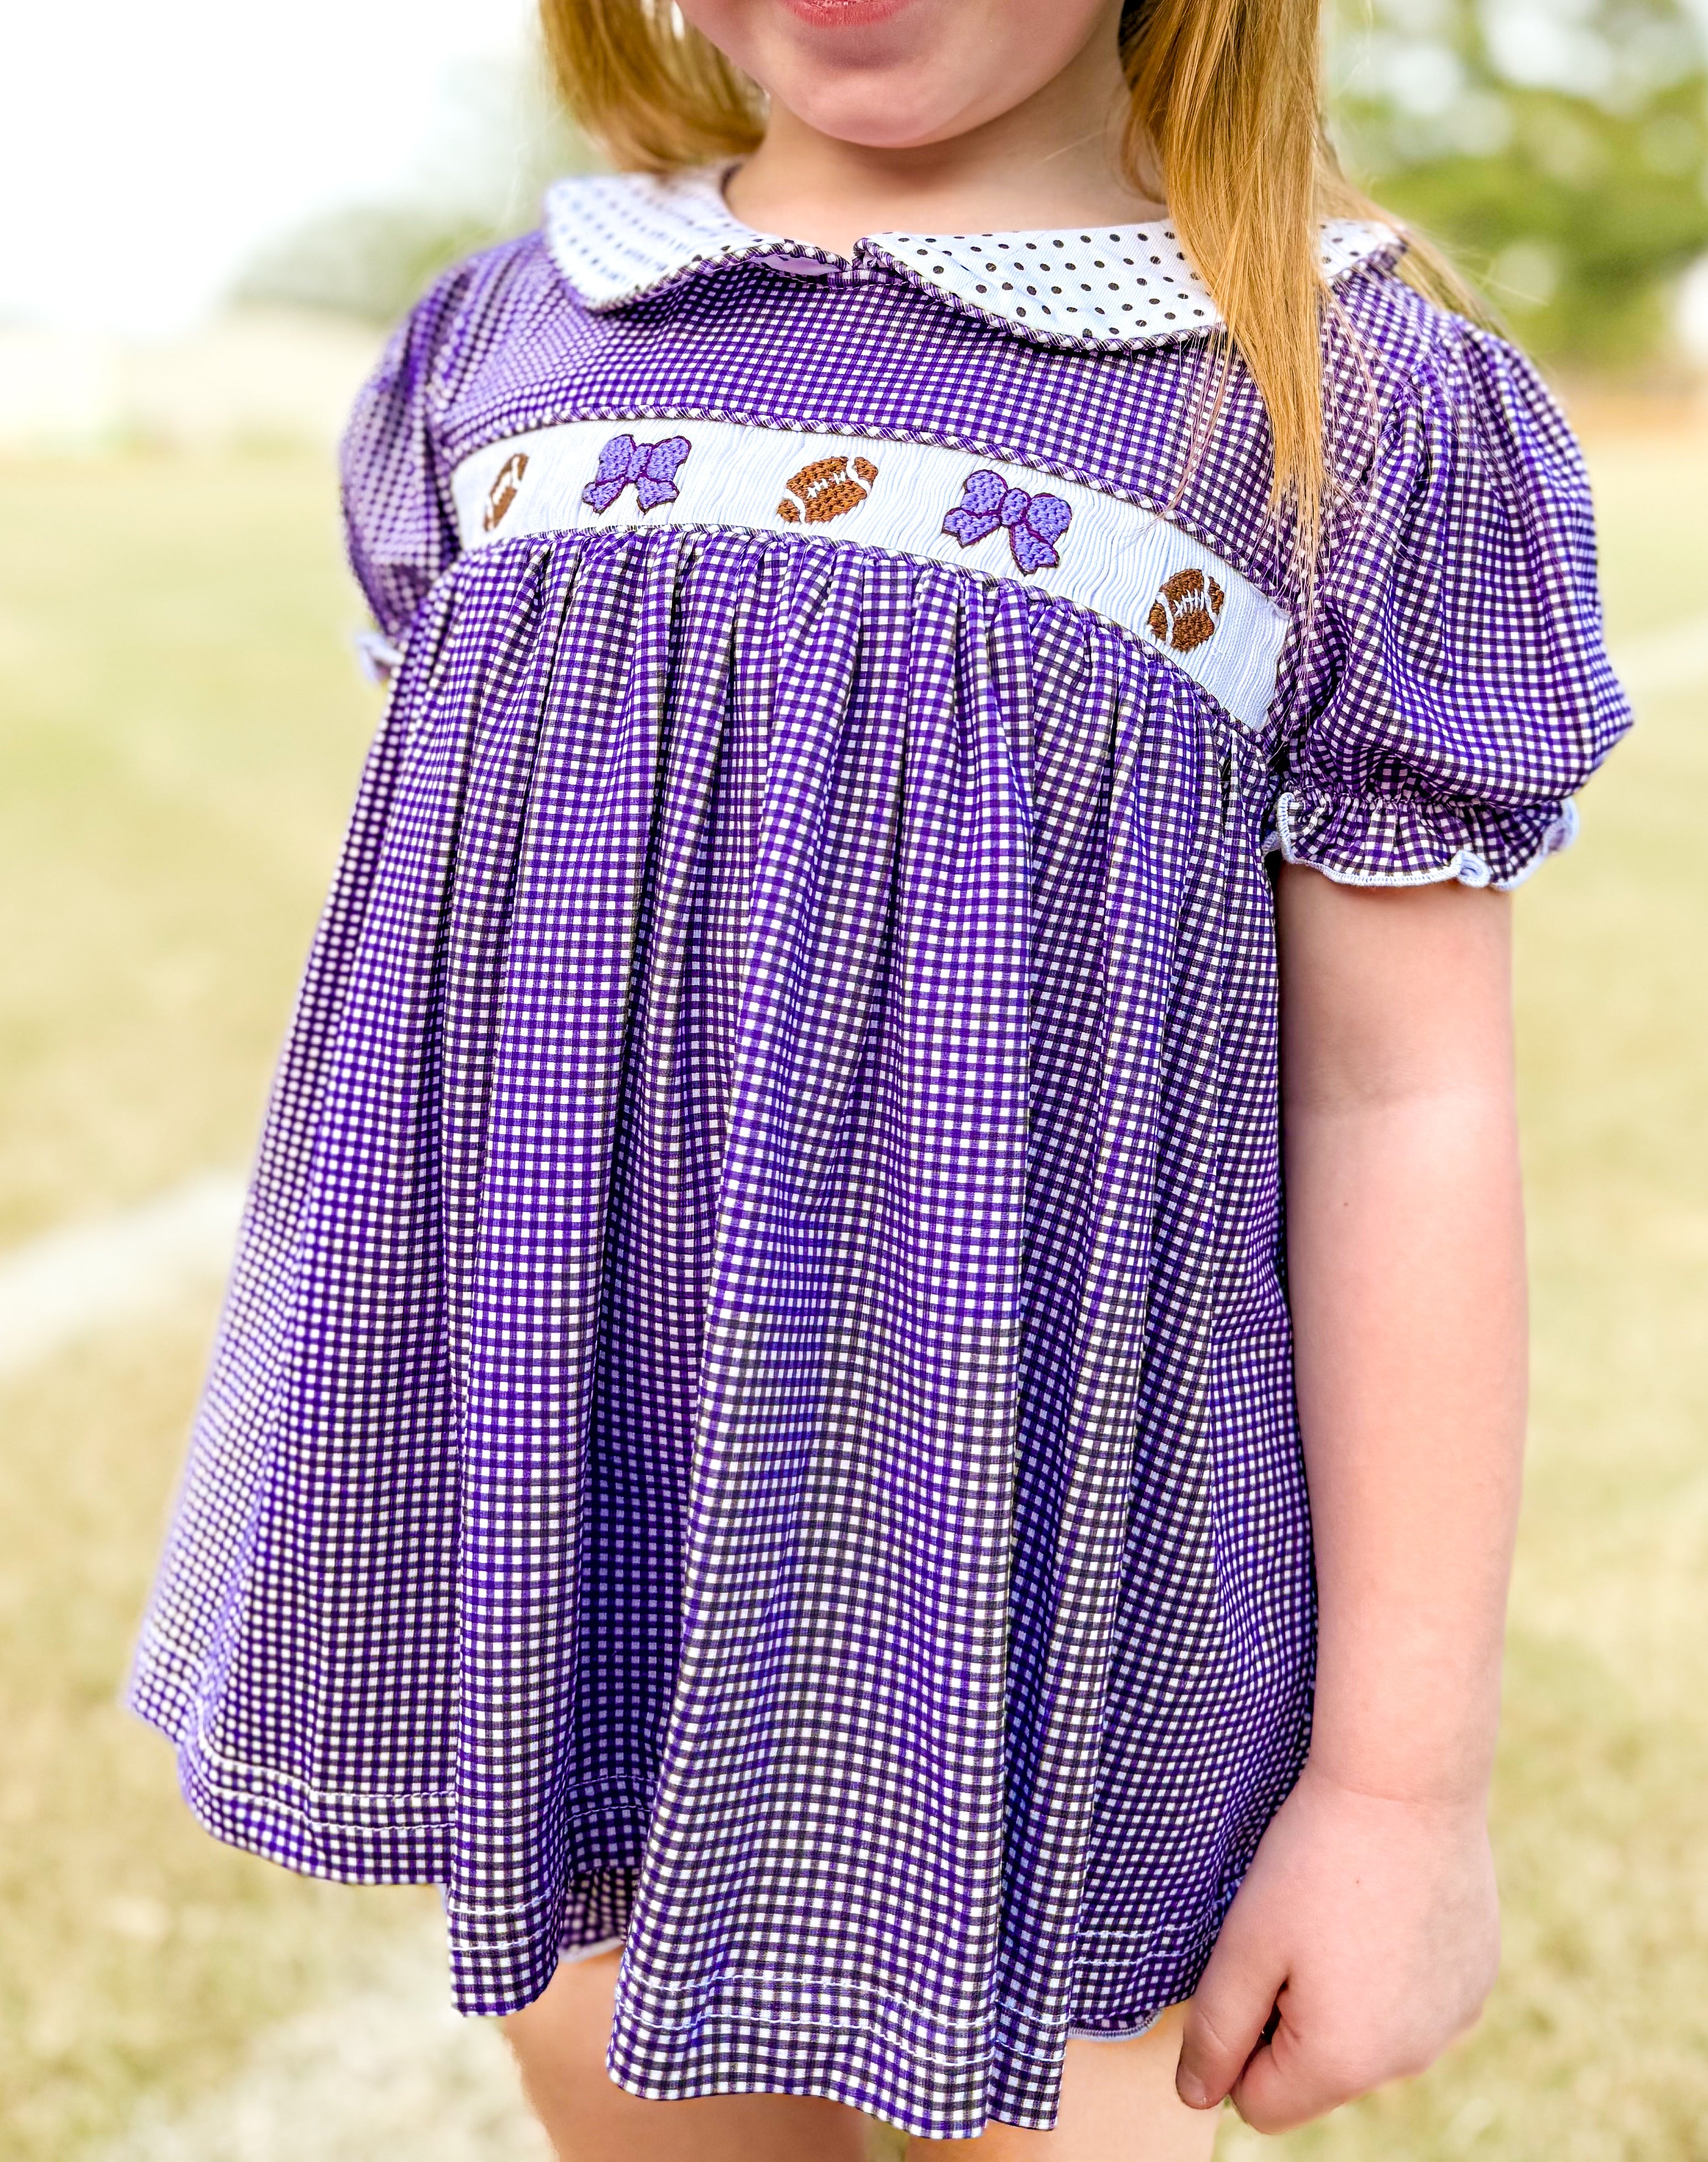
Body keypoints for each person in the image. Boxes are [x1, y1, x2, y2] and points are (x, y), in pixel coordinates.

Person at [127, 0, 1631, 2153]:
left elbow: (1396, 1108)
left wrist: (1395, 1793)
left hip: (1021, 1586)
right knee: (604, 2062)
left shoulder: (1331, 399)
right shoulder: (504, 347)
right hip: (582, 1520)